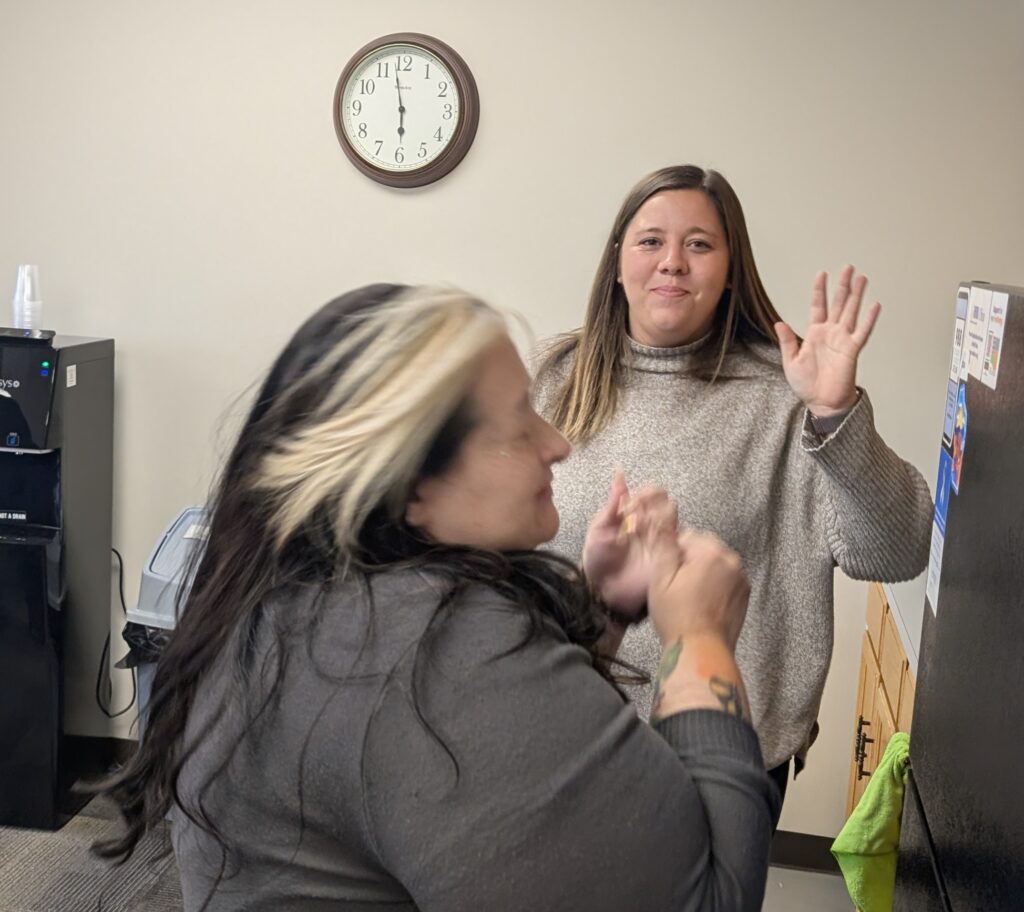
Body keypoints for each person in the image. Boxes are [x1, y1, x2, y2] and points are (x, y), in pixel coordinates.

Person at [95, 284, 779, 911]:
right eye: (519, 424)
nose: (558, 444)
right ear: (409, 486)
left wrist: (605, 607)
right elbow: (711, 900)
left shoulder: (303, 601)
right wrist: (700, 636)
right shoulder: (427, 652)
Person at [533, 165, 932, 806]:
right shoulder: (551, 378)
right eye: (651, 241)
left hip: (720, 758)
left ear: (729, 271)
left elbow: (898, 552)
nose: (672, 262)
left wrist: (837, 414)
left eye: (699, 244)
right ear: (617, 262)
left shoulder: (788, 392)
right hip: (556, 737)